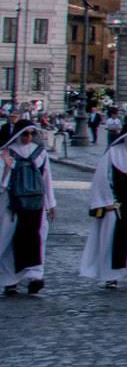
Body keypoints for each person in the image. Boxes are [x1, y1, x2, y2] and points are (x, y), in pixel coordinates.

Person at [78, 126, 127, 290]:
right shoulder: (112, 154)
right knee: (113, 237)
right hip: (116, 203)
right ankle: (111, 275)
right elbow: (101, 178)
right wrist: (105, 201)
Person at [1, 121, 55, 297]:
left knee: (37, 239)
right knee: (11, 241)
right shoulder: (7, 153)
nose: (28, 138)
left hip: (36, 204)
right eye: (25, 134)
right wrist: (7, 167)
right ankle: (11, 280)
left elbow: (46, 180)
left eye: (31, 134)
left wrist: (50, 204)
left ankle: (35, 276)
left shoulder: (40, 153)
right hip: (13, 204)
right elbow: (2, 185)